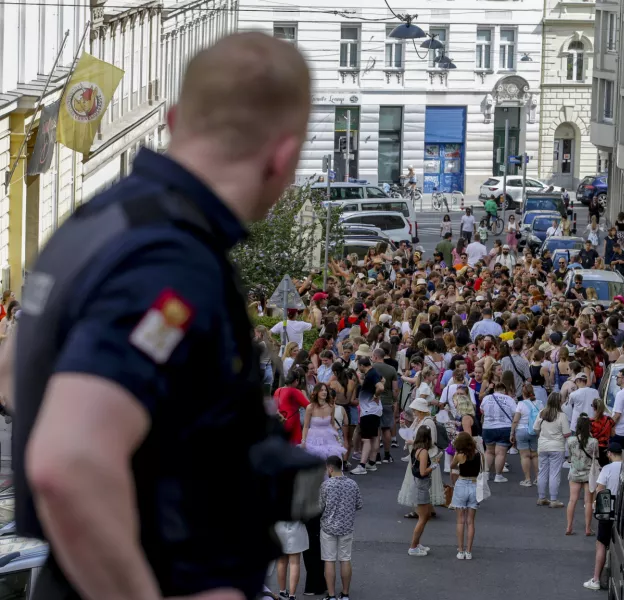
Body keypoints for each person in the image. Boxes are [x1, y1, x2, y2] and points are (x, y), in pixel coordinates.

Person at [7, 32, 321, 600]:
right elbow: (67, 461)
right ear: (284, 156)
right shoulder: (171, 262)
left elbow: (13, 369)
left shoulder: (98, 224)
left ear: (175, 119)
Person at [319, 455, 362, 600]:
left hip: (328, 527)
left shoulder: (326, 485)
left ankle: (331, 595)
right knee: (345, 559)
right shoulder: (352, 484)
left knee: (329, 560)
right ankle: (345, 594)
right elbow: (358, 505)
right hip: (346, 527)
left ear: (330, 468)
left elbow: (320, 506)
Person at [583, 442, 623, 591]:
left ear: (610, 454)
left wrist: (594, 505)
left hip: (607, 512)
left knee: (601, 544)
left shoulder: (607, 469)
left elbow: (599, 490)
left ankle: (596, 579)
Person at [449, 432, 483, 560]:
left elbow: (452, 466)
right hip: (474, 485)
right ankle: (469, 551)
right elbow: (482, 469)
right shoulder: (478, 454)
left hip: (462, 484)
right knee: (470, 521)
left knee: (460, 520)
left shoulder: (459, 455)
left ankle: (460, 550)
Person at [408, 426, 440, 557]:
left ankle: (417, 543)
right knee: (422, 518)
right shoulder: (424, 452)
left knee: (425, 516)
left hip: (418, 485)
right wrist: (433, 465)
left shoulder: (415, 448)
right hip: (421, 487)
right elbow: (422, 472)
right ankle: (413, 546)